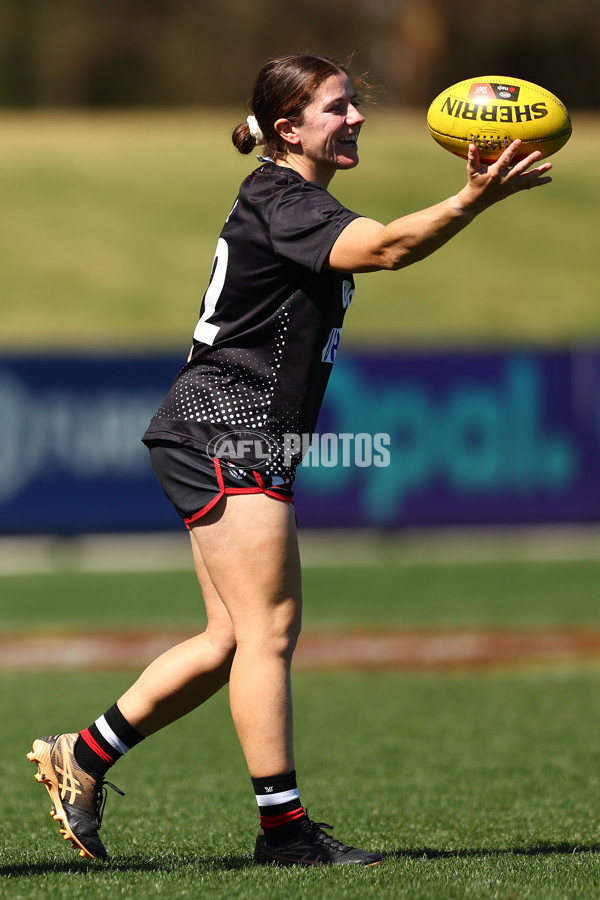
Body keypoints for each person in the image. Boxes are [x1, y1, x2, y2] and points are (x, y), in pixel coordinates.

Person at [27, 52, 552, 867]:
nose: (356, 118)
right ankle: (285, 832)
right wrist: (471, 198)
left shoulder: (289, 199)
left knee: (232, 638)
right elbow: (385, 249)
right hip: (226, 429)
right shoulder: (283, 199)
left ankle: (82, 757)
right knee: (269, 630)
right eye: (338, 108)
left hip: (225, 431)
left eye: (352, 106)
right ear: (288, 128)